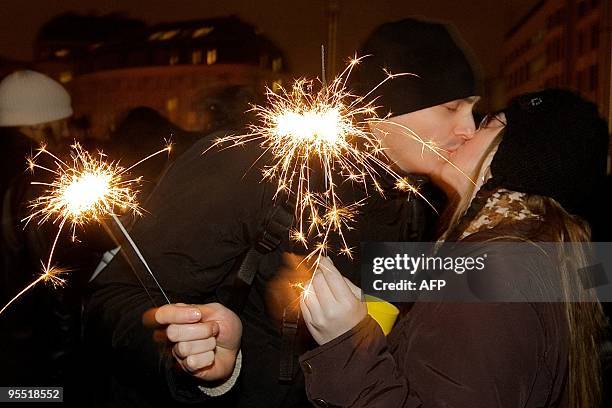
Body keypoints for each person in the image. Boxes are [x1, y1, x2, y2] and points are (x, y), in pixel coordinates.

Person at [84, 17, 480, 407]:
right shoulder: (249, 166)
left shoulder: (418, 198)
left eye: (474, 110)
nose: (470, 129)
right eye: (451, 108)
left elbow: (483, 282)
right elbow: (114, 298)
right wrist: (194, 359)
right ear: (386, 107)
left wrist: (492, 207)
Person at [297, 89, 609, 407]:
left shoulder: (493, 278)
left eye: (487, 123)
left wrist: (348, 347)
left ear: (517, 155)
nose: (468, 130)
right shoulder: (526, 254)